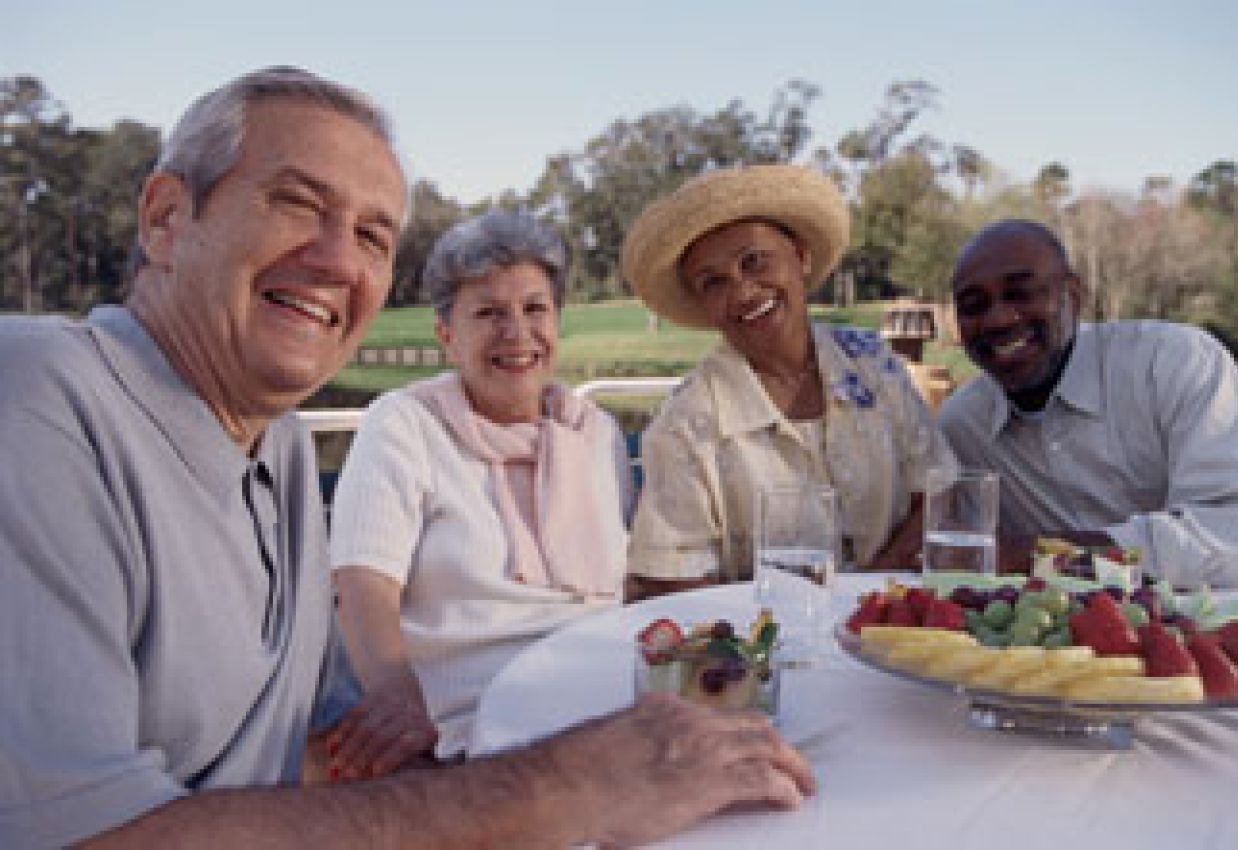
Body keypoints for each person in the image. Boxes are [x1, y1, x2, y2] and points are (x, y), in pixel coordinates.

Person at [0, 67, 813, 849]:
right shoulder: (38, 399)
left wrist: (542, 787)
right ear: (166, 219)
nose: (337, 261)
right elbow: (83, 833)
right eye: (295, 203)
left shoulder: (276, 442)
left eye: (371, 236)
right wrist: (567, 786)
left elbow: (324, 750)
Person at [325, 209, 634, 774]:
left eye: (535, 309)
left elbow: (627, 583)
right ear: (448, 336)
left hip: (604, 706)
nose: (517, 333)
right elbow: (362, 582)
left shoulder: (595, 431)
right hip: (467, 729)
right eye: (489, 313)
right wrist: (395, 697)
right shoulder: (403, 424)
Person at [620, 164, 956, 595]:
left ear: (800, 255)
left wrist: (867, 596)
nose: (743, 291)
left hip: (894, 633)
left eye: (754, 261)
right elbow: (664, 584)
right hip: (769, 651)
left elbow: (940, 493)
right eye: (713, 282)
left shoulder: (874, 364)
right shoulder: (685, 426)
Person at [938, 219, 1238, 588]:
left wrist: (1043, 554)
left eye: (1021, 293)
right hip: (1051, 640)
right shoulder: (963, 427)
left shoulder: (1172, 363)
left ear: (1074, 295)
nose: (998, 319)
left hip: (1217, 629)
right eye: (973, 306)